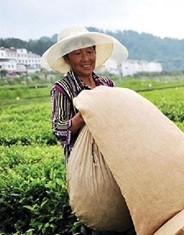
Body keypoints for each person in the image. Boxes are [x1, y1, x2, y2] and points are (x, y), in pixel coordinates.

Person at [41, 25, 128, 160]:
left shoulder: (107, 84)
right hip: (83, 161)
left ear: (95, 53)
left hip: (113, 155)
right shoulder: (62, 88)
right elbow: (59, 130)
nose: (85, 58)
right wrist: (83, 116)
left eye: (89, 51)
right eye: (77, 53)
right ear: (66, 58)